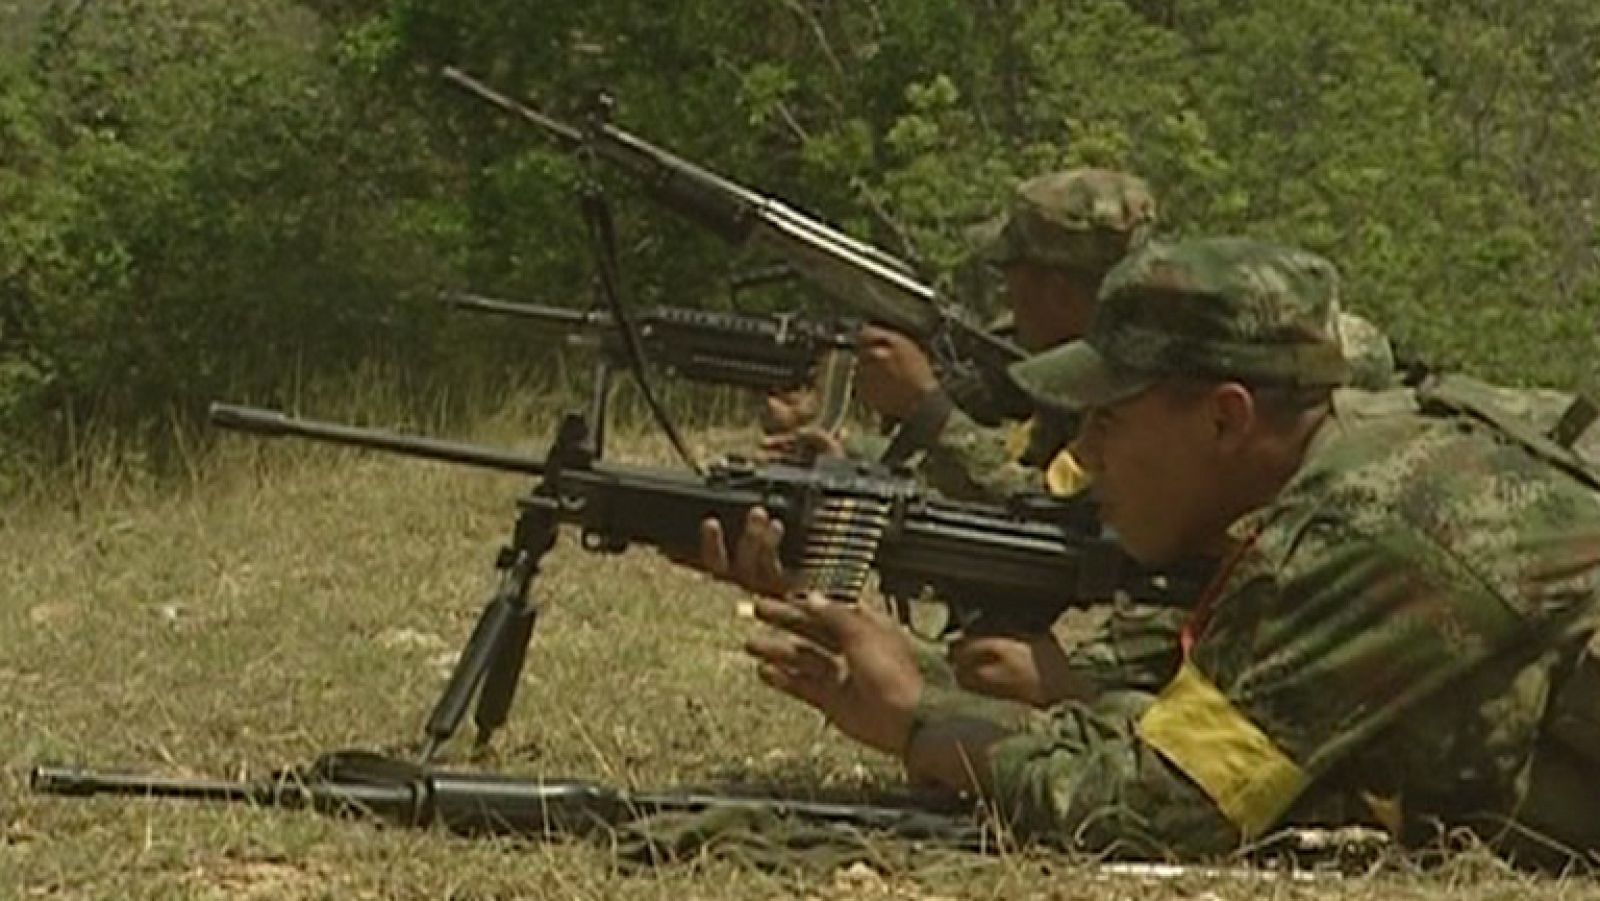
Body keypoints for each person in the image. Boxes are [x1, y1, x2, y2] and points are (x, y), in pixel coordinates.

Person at [711, 236, 1600, 863]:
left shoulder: (1368, 523)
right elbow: (1202, 719)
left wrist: (915, 717)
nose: (1085, 452)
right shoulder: (1357, 460)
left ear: (1227, 416)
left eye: (1109, 417)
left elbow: (1161, 803)